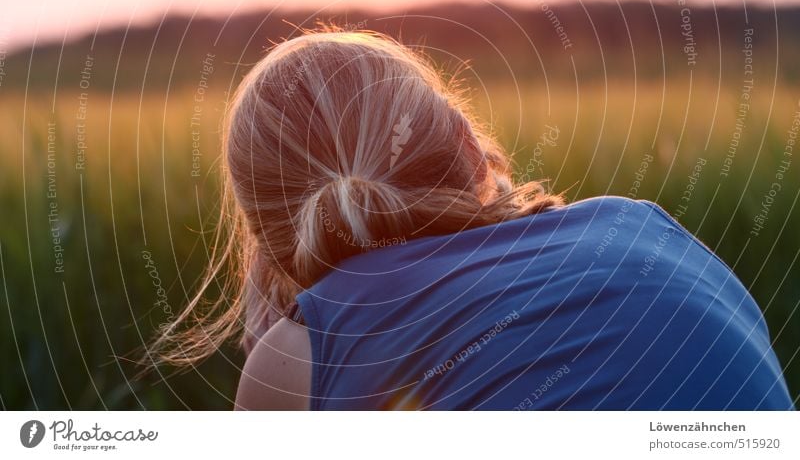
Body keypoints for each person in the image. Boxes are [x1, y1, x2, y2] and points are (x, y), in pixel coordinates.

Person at [151, 29, 794, 410]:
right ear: (466, 142)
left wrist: (289, 352)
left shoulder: (308, 355)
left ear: (265, 231)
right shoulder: (648, 230)